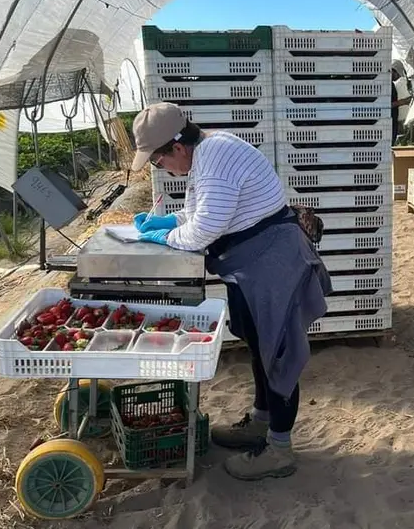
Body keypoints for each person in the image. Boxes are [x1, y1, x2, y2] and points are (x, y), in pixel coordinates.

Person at [129, 102, 332, 480]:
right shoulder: (206, 154)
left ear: (176, 147)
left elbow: (204, 230)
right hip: (249, 265)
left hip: (271, 266)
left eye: (158, 162)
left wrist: (166, 237)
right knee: (260, 347)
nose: (162, 170)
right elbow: (199, 211)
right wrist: (169, 221)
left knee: (278, 354)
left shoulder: (217, 156)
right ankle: (261, 421)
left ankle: (279, 450)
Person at [391, 62, 413, 145]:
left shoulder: (392, 84)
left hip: (394, 119)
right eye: (398, 75)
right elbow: (385, 106)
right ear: (393, 71)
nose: (399, 77)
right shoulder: (386, 86)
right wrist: (403, 101)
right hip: (389, 120)